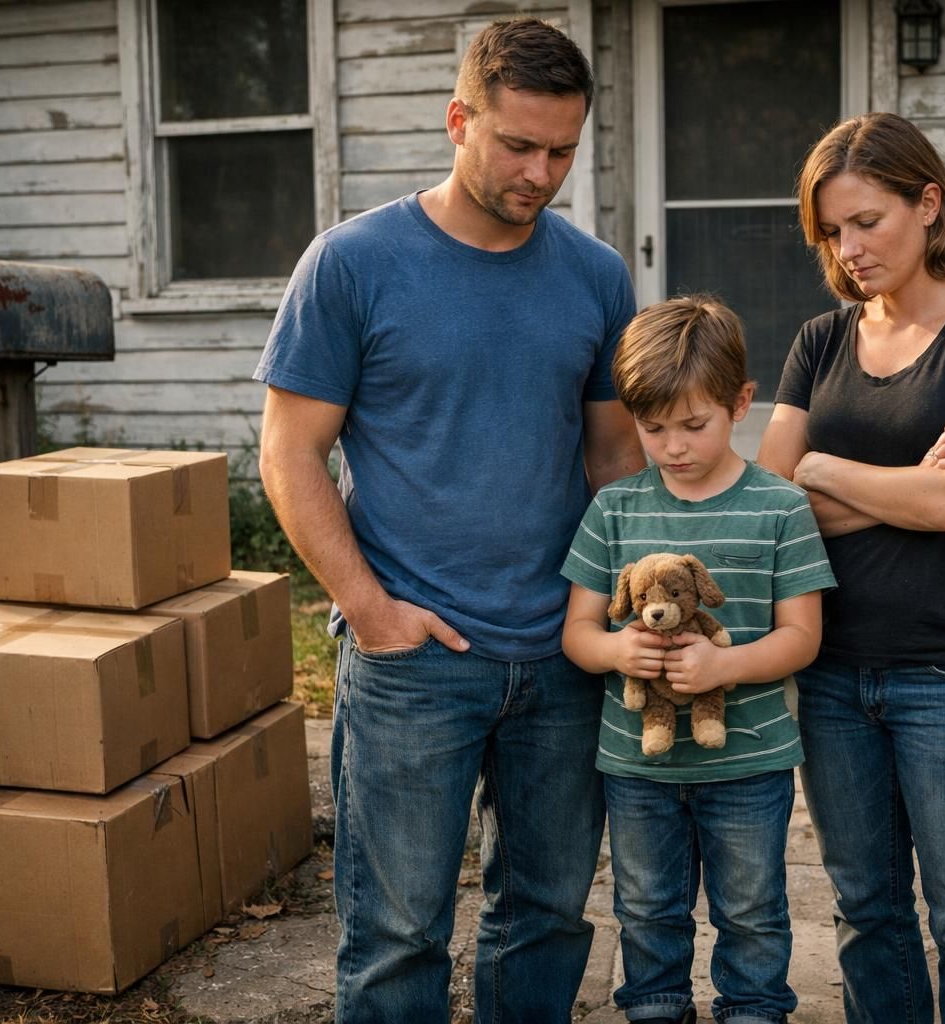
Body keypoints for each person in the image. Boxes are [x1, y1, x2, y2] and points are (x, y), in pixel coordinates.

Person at [253, 18, 645, 1024]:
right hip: (413, 661)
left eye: (562, 150)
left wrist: (614, 609)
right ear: (458, 119)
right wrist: (368, 608)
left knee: (549, 915)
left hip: (563, 653)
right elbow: (290, 454)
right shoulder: (352, 264)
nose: (540, 172)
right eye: (518, 144)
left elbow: (612, 460)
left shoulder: (597, 276)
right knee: (395, 937)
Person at [756, 112, 945, 1024]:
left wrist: (825, 470)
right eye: (833, 232)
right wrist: (912, 481)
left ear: (928, 204)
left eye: (868, 222)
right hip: (834, 674)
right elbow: (766, 514)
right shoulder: (820, 342)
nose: (849, 250)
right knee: (867, 913)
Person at [559, 296, 837, 1024]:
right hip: (639, 767)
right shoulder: (614, 510)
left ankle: (751, 1010)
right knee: (647, 911)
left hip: (749, 761)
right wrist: (619, 647)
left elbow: (802, 636)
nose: (673, 446)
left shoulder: (780, 507)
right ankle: (656, 1009)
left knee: (750, 910)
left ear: (741, 404)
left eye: (694, 424)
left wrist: (724, 667)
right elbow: (578, 633)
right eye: (653, 429)